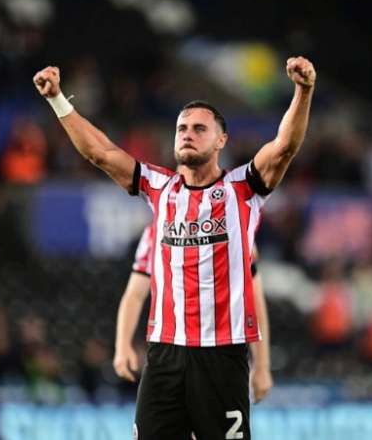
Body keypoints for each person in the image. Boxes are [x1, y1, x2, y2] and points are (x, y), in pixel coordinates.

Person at [33, 56, 315, 440]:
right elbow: (100, 152)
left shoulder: (243, 190)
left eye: (199, 129)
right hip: (165, 354)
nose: (187, 134)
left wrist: (303, 91)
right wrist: (57, 100)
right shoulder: (158, 188)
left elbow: (284, 147)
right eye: (182, 128)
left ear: (221, 140)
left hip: (222, 354)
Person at [113, 225, 273, 403]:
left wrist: (262, 365)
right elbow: (135, 295)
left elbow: (253, 299)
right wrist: (122, 344)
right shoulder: (155, 232)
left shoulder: (235, 228)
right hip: (172, 352)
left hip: (220, 349)